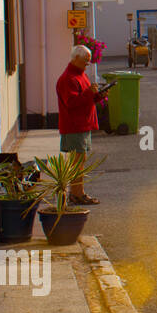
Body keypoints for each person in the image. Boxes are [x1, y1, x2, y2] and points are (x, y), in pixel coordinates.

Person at [56, 45, 107, 206]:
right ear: (75, 58)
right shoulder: (68, 79)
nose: (88, 63)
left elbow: (85, 99)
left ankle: (78, 193)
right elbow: (71, 103)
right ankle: (76, 194)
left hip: (82, 125)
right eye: (85, 60)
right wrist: (89, 93)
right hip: (74, 126)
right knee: (77, 162)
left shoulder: (80, 75)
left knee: (80, 161)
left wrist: (98, 96)